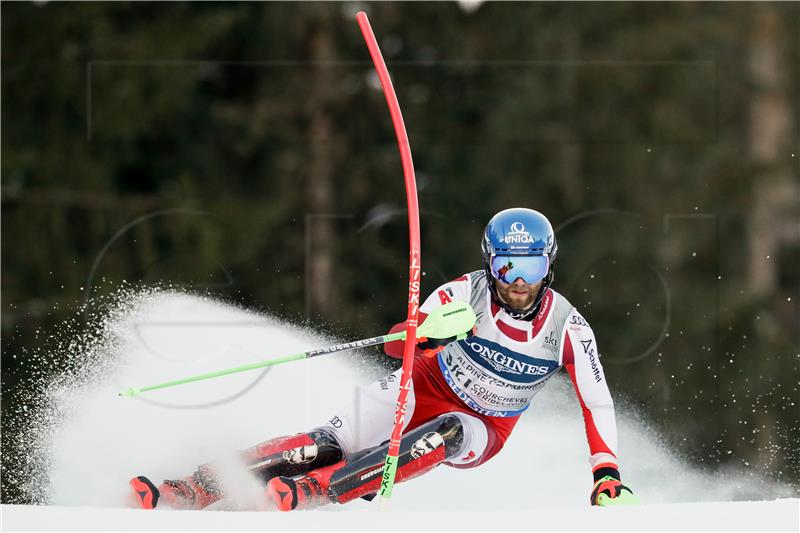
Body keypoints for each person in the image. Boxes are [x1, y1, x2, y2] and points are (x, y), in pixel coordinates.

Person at [130, 207, 637, 511]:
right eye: (506, 264)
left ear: (549, 264)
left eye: (530, 265)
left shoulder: (567, 329)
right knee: (321, 444)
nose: (518, 280)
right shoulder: (464, 292)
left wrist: (606, 474)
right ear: (490, 262)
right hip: (419, 384)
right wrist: (425, 334)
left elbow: (597, 403)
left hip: (482, 424)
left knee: (445, 434)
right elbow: (396, 345)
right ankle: (193, 486)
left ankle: (314, 492)